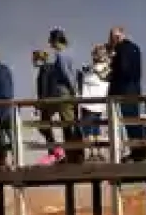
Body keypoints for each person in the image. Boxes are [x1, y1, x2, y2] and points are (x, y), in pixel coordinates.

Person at [107, 26, 146, 161]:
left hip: (123, 90)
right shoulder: (136, 48)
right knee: (134, 120)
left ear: (116, 37)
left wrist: (112, 72)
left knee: (128, 122)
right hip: (134, 89)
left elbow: (123, 69)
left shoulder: (120, 49)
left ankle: (138, 152)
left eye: (112, 37)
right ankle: (141, 150)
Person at [47, 28, 85, 162]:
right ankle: (77, 153)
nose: (50, 44)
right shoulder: (70, 53)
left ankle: (73, 155)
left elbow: (66, 75)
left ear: (56, 41)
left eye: (51, 41)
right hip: (70, 92)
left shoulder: (61, 55)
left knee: (68, 124)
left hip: (64, 93)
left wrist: (73, 90)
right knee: (73, 122)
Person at [78, 43, 111, 158]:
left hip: (92, 103)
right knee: (94, 129)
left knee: (90, 129)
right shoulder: (92, 67)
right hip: (92, 102)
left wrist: (93, 70)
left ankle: (94, 153)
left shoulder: (104, 68)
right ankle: (96, 152)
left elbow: (103, 77)